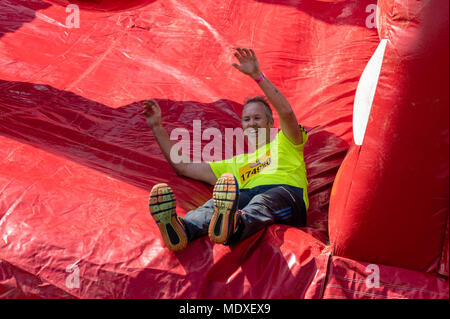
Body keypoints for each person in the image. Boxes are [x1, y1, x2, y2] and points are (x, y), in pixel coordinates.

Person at [142, 48, 309, 252]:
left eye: (257, 118)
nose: (252, 124)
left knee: (261, 201)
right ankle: (181, 230)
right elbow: (183, 166)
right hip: (246, 196)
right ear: (242, 126)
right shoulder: (235, 163)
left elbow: (286, 112)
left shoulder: (286, 140)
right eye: (247, 120)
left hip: (287, 196)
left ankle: (234, 226)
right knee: (215, 204)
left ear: (269, 122)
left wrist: (258, 76)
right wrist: (156, 127)